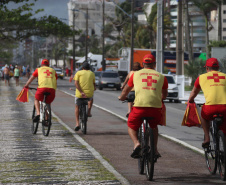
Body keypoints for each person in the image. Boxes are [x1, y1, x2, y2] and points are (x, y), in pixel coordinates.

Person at [118, 54, 168, 158]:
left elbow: (126, 90)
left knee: (131, 125)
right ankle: (155, 150)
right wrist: (160, 98)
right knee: (154, 127)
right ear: (154, 64)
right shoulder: (162, 77)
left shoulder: (135, 75)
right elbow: (164, 95)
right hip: (155, 109)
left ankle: (136, 143)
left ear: (143, 64)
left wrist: (122, 97)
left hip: (139, 108)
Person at [188, 58, 226, 148]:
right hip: (224, 108)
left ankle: (207, 138)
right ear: (218, 68)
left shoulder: (201, 77)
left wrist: (190, 100)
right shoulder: (224, 76)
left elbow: (194, 92)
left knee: (204, 116)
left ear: (207, 68)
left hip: (210, 108)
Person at [73, 62, 96, 131]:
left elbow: (76, 83)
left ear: (82, 68)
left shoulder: (78, 73)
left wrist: (81, 92)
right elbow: (94, 84)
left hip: (80, 94)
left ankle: (77, 123)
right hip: (89, 94)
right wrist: (94, 88)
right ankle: (89, 112)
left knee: (77, 106)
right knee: (91, 99)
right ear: (89, 68)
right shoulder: (92, 73)